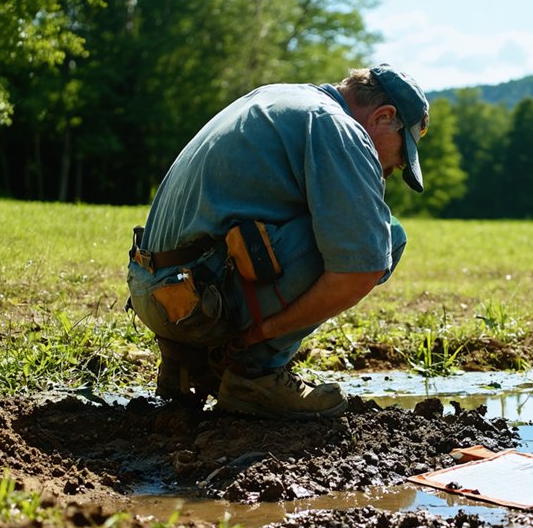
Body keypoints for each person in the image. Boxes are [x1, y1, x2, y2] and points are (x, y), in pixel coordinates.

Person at [126, 64, 429, 420]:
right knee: (384, 237)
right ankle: (253, 374)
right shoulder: (338, 126)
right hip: (200, 304)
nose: (389, 169)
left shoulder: (276, 96)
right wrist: (260, 336)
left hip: (156, 293)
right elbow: (361, 269)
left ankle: (190, 362)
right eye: (398, 155)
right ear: (384, 115)